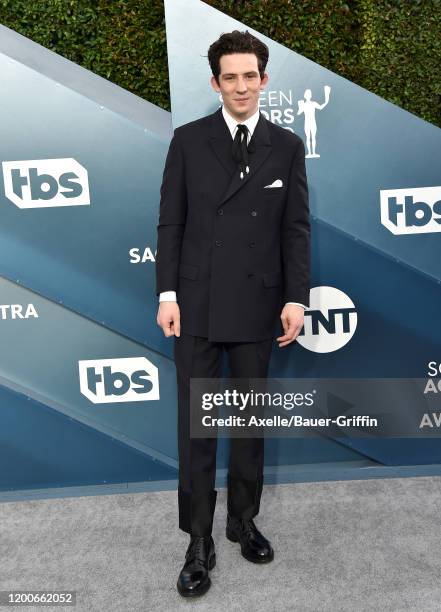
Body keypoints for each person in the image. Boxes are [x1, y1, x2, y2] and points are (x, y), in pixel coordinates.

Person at [155, 29, 310, 597]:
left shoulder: (286, 145)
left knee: (249, 425)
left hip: (257, 305)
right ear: (216, 82)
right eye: (231, 77)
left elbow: (295, 228)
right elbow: (171, 222)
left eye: (251, 76)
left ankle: (242, 520)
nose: (241, 86)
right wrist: (167, 296)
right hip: (194, 306)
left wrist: (296, 298)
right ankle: (198, 539)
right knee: (196, 430)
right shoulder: (189, 141)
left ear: (263, 80)